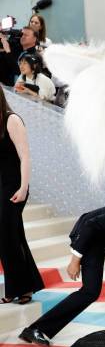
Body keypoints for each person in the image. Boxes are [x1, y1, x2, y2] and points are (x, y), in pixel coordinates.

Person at [19, 203, 105, 346]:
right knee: (90, 291)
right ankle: (36, 329)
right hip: (88, 236)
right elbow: (89, 224)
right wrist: (75, 260)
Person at [0, 84, 44, 303]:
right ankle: (22, 286)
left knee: (9, 236)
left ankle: (20, 288)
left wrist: (24, 188)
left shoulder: (12, 119)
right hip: (0, 186)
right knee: (8, 237)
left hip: (14, 186)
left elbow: (25, 156)